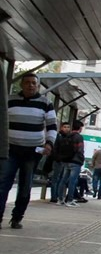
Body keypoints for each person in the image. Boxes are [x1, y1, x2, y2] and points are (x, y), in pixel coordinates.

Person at [0, 73, 57, 228]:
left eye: (33, 83)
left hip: (32, 152)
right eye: (27, 82)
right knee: (3, 183)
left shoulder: (46, 103)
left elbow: (52, 126)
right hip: (10, 149)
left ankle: (17, 218)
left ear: (37, 85)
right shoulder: (9, 100)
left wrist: (49, 144)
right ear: (21, 85)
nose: (30, 85)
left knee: (25, 186)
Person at [56, 120, 85, 207]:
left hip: (66, 160)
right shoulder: (79, 137)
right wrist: (81, 159)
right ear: (80, 128)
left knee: (63, 180)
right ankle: (70, 200)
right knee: (72, 181)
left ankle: (60, 199)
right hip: (75, 161)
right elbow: (80, 150)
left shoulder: (68, 136)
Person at [48, 121, 71, 203]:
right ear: (61, 128)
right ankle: (54, 196)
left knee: (61, 179)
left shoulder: (69, 137)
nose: (66, 129)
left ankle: (59, 196)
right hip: (58, 161)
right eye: (65, 127)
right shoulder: (58, 137)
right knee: (56, 178)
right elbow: (54, 149)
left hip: (65, 161)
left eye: (68, 127)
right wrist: (57, 158)